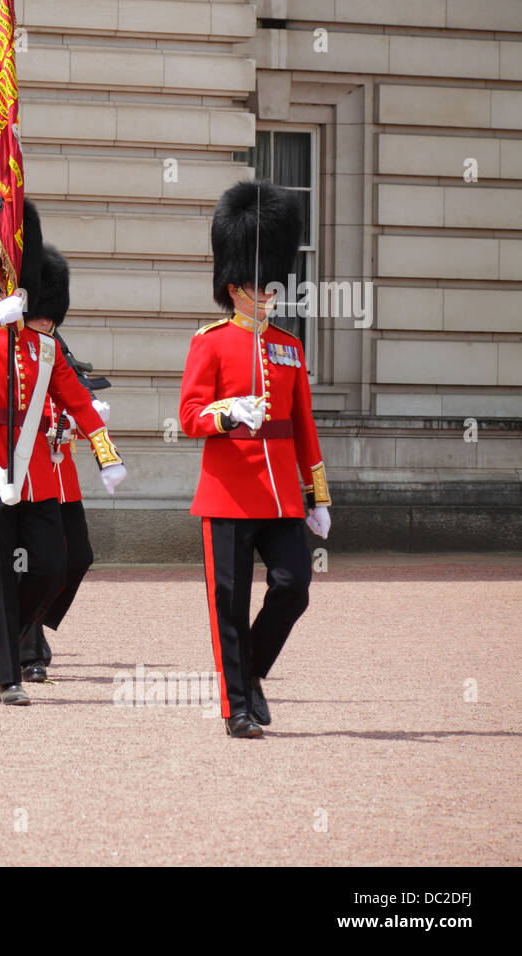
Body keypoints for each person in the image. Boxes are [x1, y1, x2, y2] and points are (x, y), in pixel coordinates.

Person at [0, 201, 127, 705]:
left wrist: (106, 452)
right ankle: (9, 676)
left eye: (19, 288)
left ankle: (12, 635)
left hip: (35, 471)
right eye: (5, 288)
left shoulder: (43, 348)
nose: (16, 295)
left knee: (52, 565)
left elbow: (77, 400)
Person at [179, 179, 331, 739]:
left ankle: (252, 676)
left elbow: (304, 427)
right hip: (227, 493)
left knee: (293, 588)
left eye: (268, 285)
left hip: (281, 497)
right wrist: (227, 412)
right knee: (230, 603)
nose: (264, 293)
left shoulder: (290, 347)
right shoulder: (211, 342)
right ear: (234, 285)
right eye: (253, 284)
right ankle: (234, 707)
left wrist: (317, 495)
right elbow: (191, 415)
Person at [17, 246, 110, 682]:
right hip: (26, 471)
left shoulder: (56, 351)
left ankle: (30, 623)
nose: (44, 322)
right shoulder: (13, 353)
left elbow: (72, 400)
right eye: (38, 314)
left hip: (61, 475)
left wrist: (86, 419)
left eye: (49, 316)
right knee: (34, 562)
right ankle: (27, 646)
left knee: (79, 558)